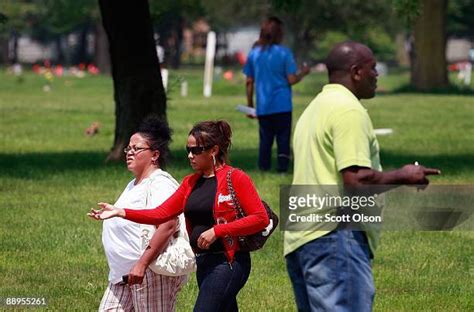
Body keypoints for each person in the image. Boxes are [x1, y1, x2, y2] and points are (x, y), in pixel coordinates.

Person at [284, 41, 441, 311]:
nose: (376, 75)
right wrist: (404, 175)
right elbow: (356, 180)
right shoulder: (348, 110)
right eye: (373, 68)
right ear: (356, 72)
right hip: (335, 238)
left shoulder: (313, 110)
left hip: (301, 238)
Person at [90, 120, 269, 312]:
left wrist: (217, 231)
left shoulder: (235, 178)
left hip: (229, 262)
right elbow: (161, 214)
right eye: (188, 150)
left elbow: (260, 218)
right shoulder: (190, 183)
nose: (190, 156)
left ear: (214, 150)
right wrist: (121, 212)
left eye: (196, 150)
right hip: (204, 262)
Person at [96, 116, 187, 312]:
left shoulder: (160, 183)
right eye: (128, 148)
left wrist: (142, 264)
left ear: (154, 155)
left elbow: (168, 224)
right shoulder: (134, 184)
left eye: (136, 149)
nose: (129, 153)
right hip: (123, 275)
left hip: (150, 273)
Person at [243, 16, 310, 172]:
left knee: (265, 140)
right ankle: (282, 168)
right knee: (283, 139)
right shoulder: (284, 53)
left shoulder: (254, 54)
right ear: (280, 34)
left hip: (263, 106)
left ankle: (263, 167)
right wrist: (303, 73)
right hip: (282, 105)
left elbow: (249, 81)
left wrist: (250, 105)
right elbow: (291, 79)